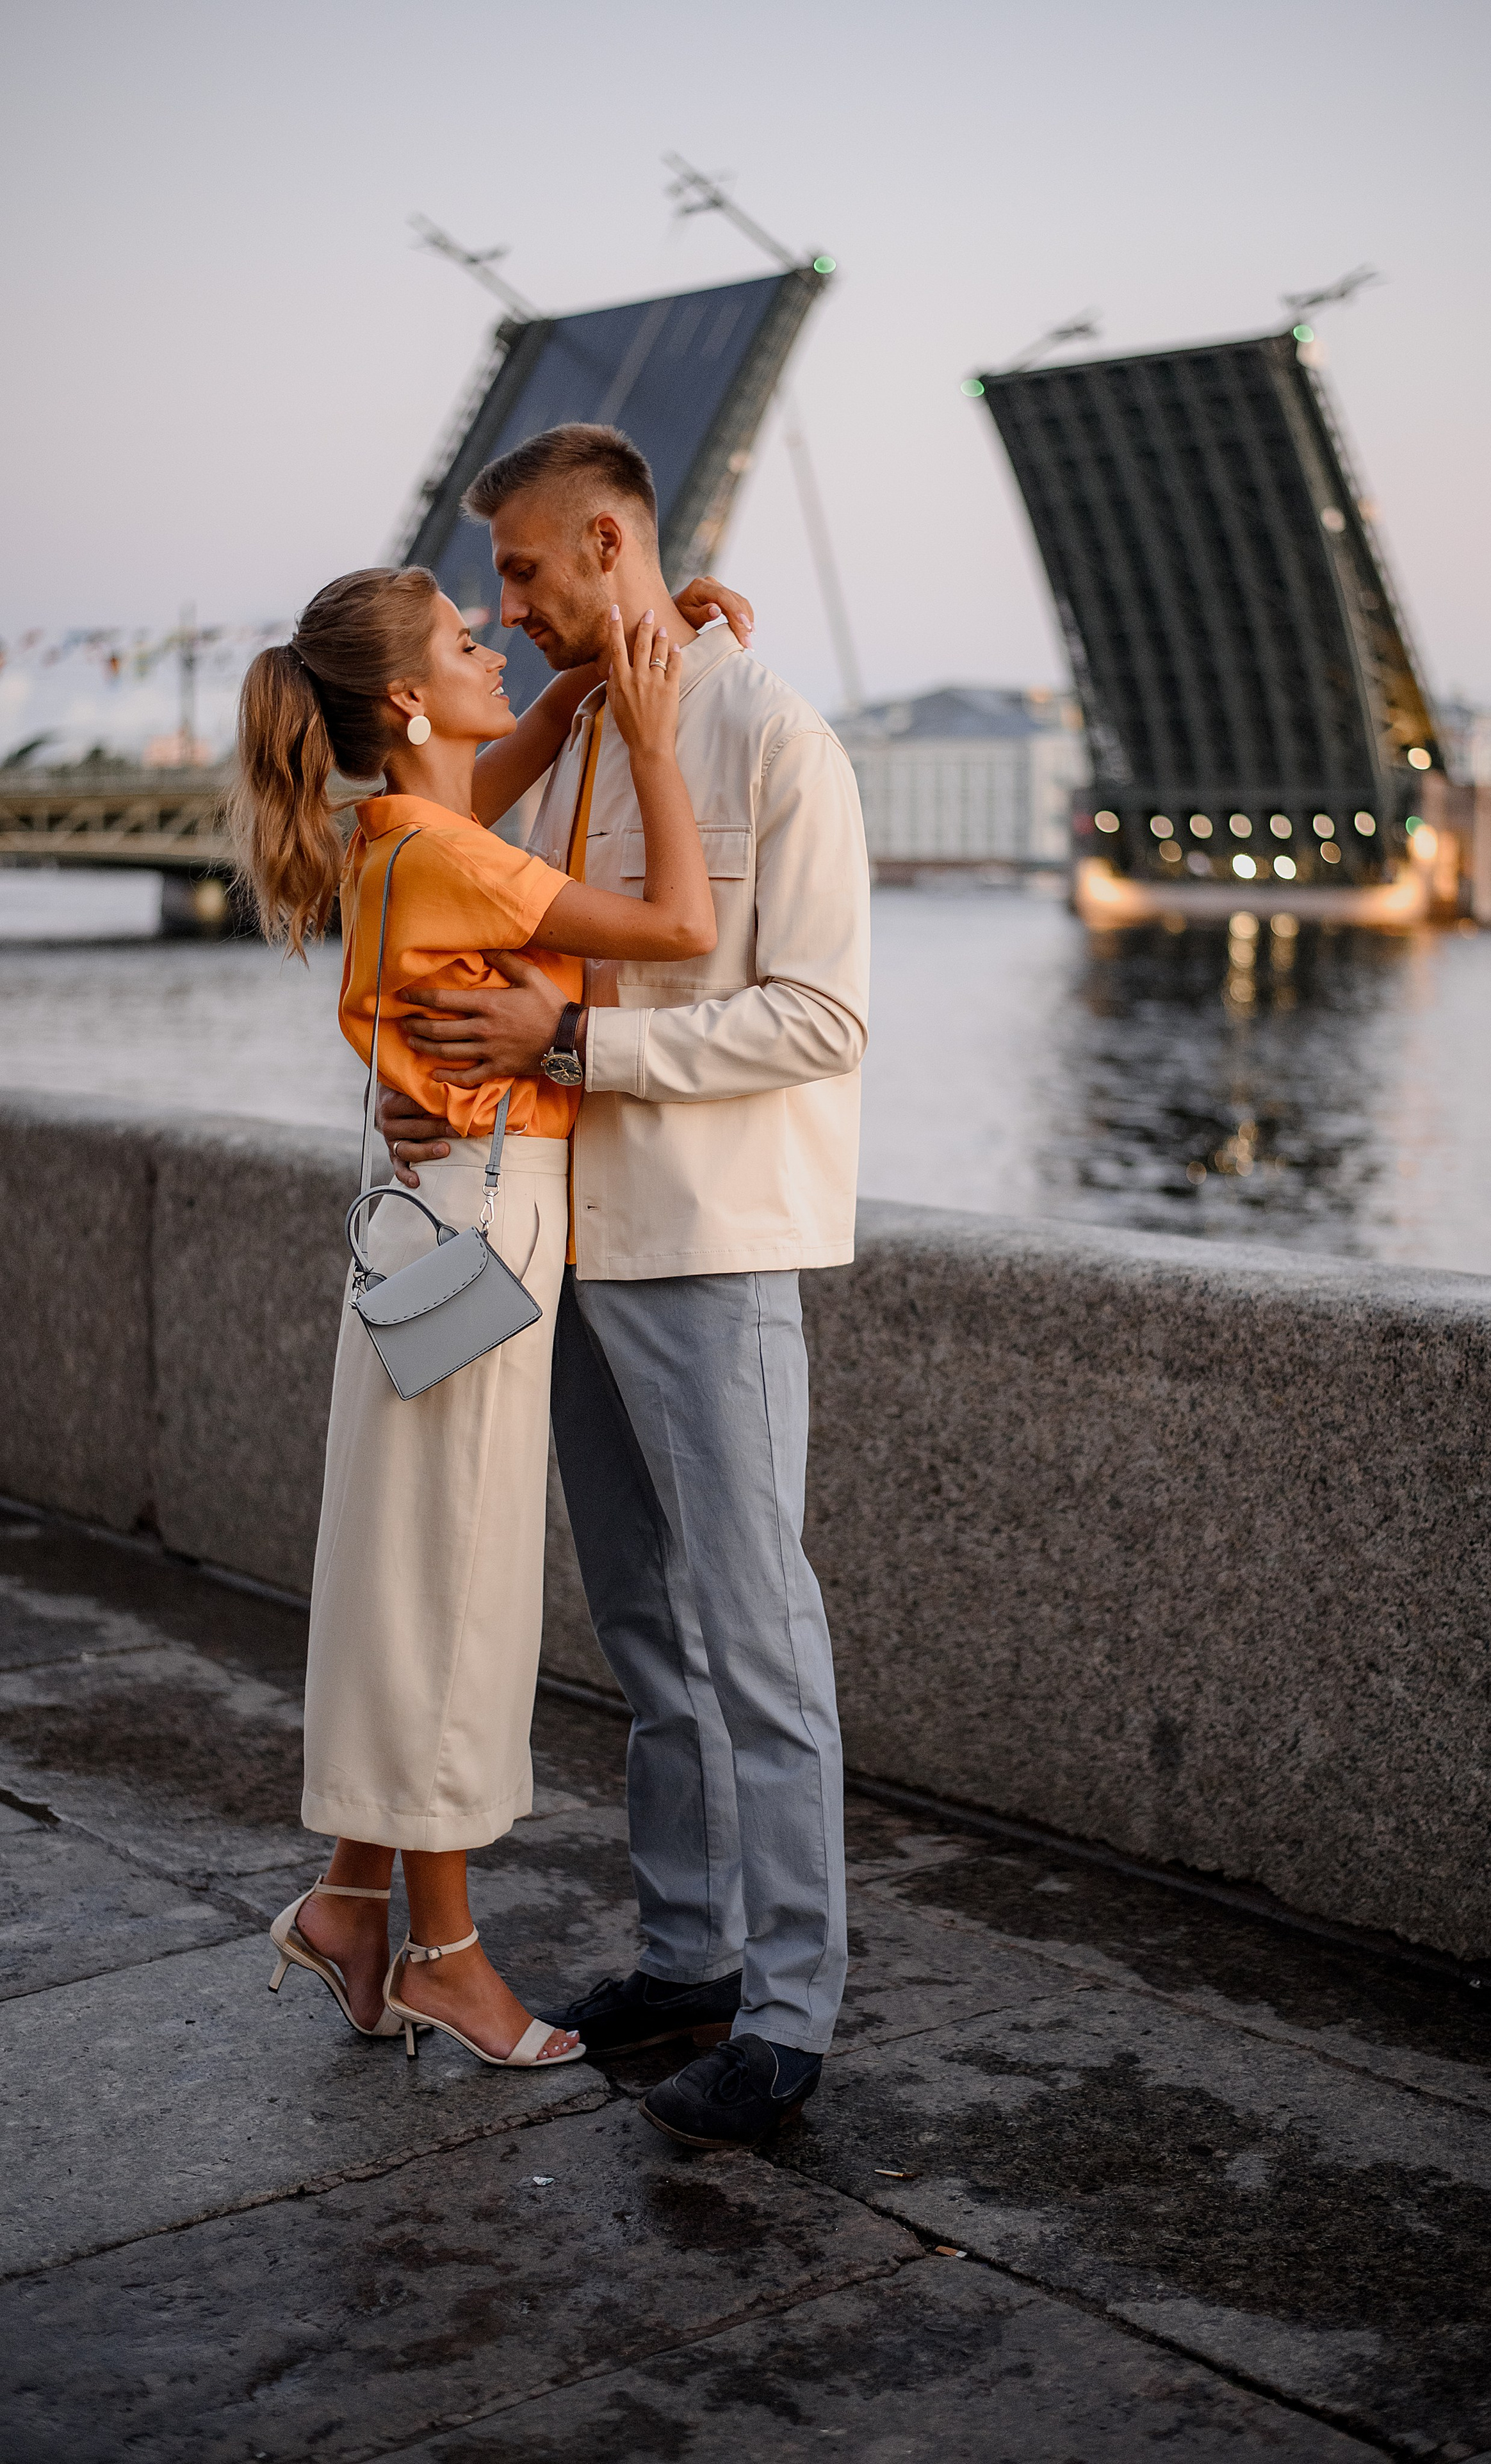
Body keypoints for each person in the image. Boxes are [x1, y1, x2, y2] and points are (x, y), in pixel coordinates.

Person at [379, 421, 871, 2146]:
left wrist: (569, 1041)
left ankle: (794, 2013)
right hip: (569, 1246)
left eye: (522, 570)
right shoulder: (583, 721)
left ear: (606, 541)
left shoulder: (776, 736)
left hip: (715, 1248)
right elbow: (460, 882)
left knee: (760, 1636)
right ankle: (689, 1959)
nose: (506, 608)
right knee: (648, 1629)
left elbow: (821, 1016)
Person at [233, 557, 731, 2068]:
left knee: (412, 1574)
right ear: (404, 695)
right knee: (449, 1594)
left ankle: (349, 1906)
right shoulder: (448, 856)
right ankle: (443, 1956)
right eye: (468, 640)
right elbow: (682, 927)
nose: (498, 648)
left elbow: (497, 759)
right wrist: (647, 728)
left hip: (436, 1233)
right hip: (484, 1236)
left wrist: (616, 657)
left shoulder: (396, 831)